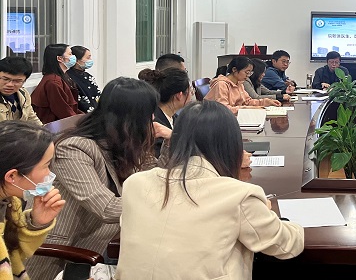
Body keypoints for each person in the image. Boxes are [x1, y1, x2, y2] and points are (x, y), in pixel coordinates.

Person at [115, 100, 305, 279]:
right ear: (231, 144)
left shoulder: (134, 184)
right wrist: (273, 215)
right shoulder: (238, 195)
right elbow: (287, 245)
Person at [25, 77, 167, 280]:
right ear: (130, 117)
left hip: (101, 242)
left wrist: (171, 140)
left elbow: (157, 177)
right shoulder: (74, 148)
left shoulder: (124, 142)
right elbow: (106, 208)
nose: (152, 118)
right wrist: (163, 204)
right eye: (148, 113)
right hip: (62, 253)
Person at [0, 121, 66, 279]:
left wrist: (36, 223)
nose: (50, 173)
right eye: (46, 165)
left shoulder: (10, 203)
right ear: (12, 176)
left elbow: (11, 258)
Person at [138, 67, 192, 157]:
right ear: (179, 95)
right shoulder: (155, 126)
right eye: (190, 91)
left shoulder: (175, 118)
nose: (192, 95)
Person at [204, 56, 281, 114]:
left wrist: (266, 102)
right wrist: (248, 109)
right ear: (234, 70)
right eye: (247, 72)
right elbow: (224, 109)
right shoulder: (221, 84)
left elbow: (247, 101)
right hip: (216, 120)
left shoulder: (239, 83)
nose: (248, 75)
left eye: (250, 73)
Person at [30, 44, 84, 123]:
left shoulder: (62, 77)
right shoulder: (53, 82)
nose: (73, 57)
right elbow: (63, 110)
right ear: (59, 58)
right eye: (70, 54)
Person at [0, 56, 42, 126]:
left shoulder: (23, 94)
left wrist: (43, 130)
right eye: (5, 79)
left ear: (24, 81)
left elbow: (31, 118)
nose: (10, 84)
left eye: (17, 81)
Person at [66, 45, 101, 113]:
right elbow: (78, 101)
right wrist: (92, 113)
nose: (90, 60)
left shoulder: (89, 77)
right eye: (88, 58)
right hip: (82, 115)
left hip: (96, 113)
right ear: (77, 60)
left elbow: (98, 95)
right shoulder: (68, 78)